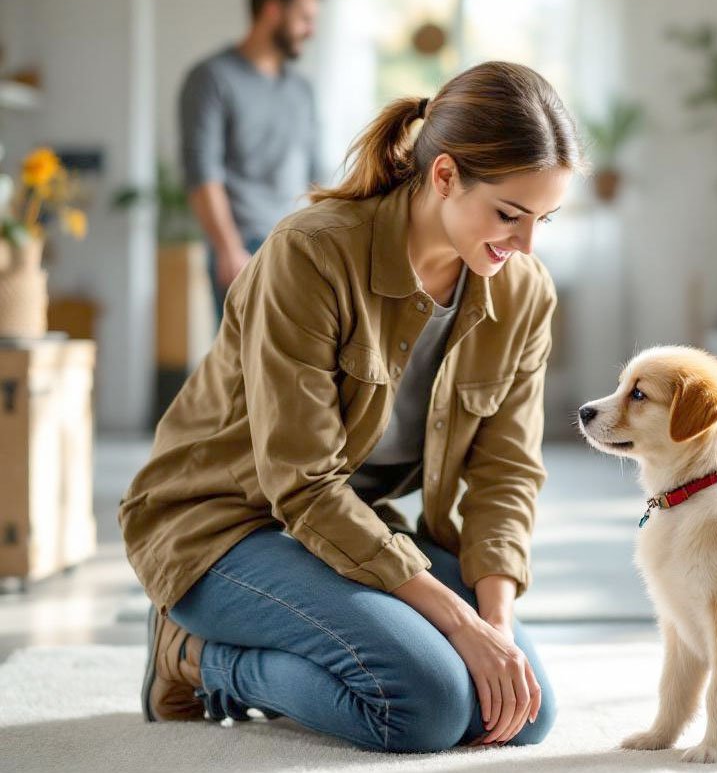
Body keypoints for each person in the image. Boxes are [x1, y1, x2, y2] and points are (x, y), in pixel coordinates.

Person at [119, 60, 581, 753]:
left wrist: (496, 627)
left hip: (350, 531)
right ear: (445, 176)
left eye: (544, 218)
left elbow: (506, 473)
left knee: (516, 711)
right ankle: (192, 655)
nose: (525, 246)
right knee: (423, 707)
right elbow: (302, 484)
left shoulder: (524, 292)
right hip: (222, 526)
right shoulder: (311, 253)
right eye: (510, 215)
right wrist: (456, 625)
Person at [179, 0, 326, 329]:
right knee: (246, 365)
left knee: (299, 364)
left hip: (296, 243)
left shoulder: (301, 90)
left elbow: (316, 174)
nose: (311, 31)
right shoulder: (212, 78)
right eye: (304, 18)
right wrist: (228, 247)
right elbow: (203, 173)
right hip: (243, 245)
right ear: (273, 12)